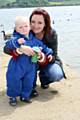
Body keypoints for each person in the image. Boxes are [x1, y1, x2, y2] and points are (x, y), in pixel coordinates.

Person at [4, 8, 66, 98]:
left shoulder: (51, 33)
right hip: (28, 62)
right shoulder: (23, 30)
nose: (35, 26)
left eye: (40, 23)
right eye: (33, 22)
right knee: (26, 73)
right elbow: (6, 48)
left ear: (45, 24)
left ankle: (44, 79)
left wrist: (44, 57)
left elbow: (53, 55)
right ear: (29, 22)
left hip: (44, 62)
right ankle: (29, 87)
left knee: (56, 74)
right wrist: (20, 48)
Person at [5, 16, 53, 106]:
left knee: (29, 81)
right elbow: (8, 45)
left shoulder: (34, 40)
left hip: (30, 65)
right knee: (14, 80)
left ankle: (25, 96)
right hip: (17, 65)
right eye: (20, 27)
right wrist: (17, 43)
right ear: (16, 28)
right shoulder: (16, 38)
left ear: (30, 26)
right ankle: (13, 96)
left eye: (25, 26)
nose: (23, 29)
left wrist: (49, 53)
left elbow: (43, 47)